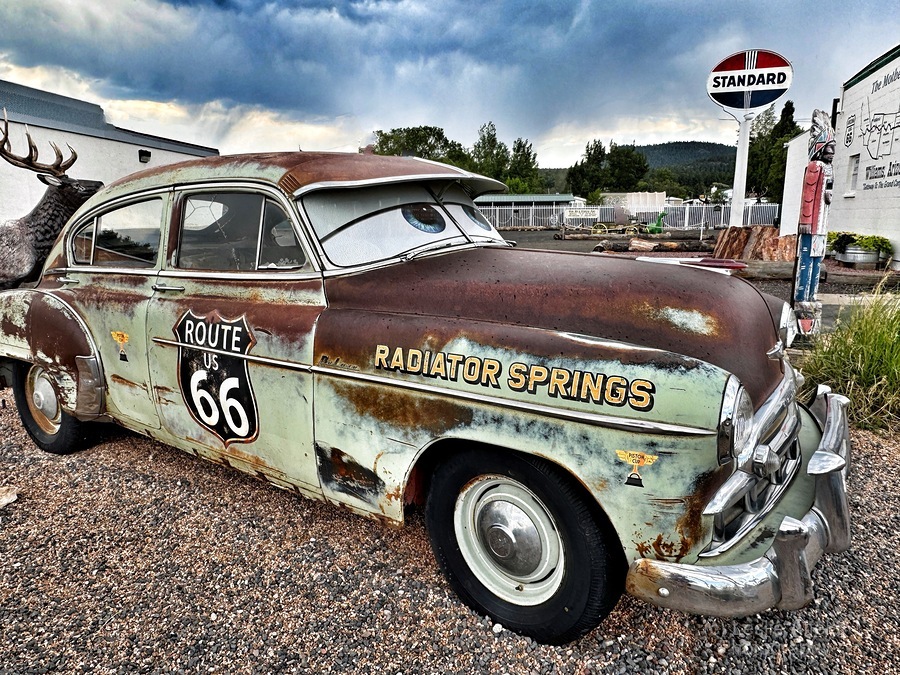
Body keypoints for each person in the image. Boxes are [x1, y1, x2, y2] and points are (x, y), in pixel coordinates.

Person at [792, 110, 835, 336]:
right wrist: (806, 221)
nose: (832, 153)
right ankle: (802, 297)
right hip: (812, 225)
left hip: (822, 226)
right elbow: (808, 195)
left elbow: (827, 195)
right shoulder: (814, 167)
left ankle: (811, 295)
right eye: (829, 148)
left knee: (817, 260)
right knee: (807, 261)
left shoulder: (828, 168)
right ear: (819, 147)